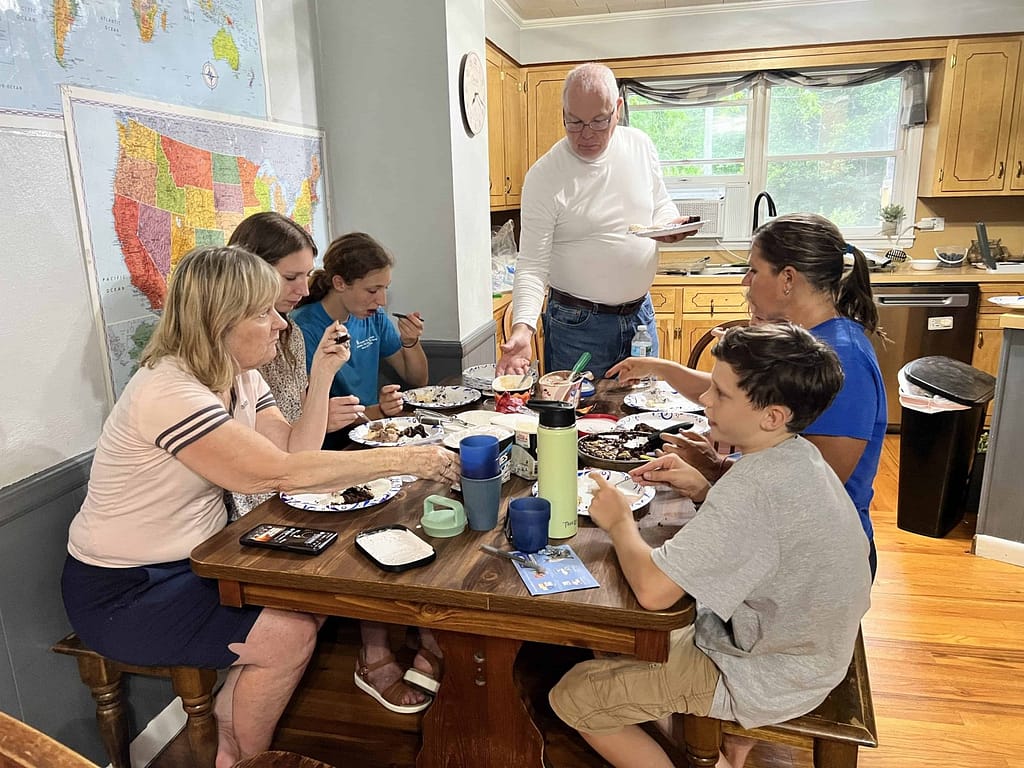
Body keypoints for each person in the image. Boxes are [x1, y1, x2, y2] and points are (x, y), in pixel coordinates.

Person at [61, 246, 459, 768]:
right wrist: (406, 459)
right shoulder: (169, 391)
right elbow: (272, 473)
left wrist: (320, 375)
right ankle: (243, 758)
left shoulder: (239, 374)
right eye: (263, 313)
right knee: (289, 633)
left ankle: (230, 740)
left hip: (192, 563)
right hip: (125, 587)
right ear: (219, 320)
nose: (279, 323)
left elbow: (295, 450)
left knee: (308, 595)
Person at [549, 323, 872, 768]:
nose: (705, 400)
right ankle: (690, 725)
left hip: (773, 672)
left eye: (721, 393)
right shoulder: (798, 456)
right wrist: (705, 489)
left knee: (575, 696)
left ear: (772, 416)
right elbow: (764, 532)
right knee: (624, 638)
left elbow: (654, 591)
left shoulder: (756, 485)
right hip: (812, 649)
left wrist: (620, 521)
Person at [607, 213, 887, 578]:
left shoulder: (841, 357)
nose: (745, 280)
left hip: (810, 561)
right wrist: (718, 467)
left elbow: (813, 490)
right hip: (780, 537)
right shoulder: (811, 342)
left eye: (754, 271)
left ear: (788, 279)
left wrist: (720, 477)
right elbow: (743, 401)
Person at [496, 61, 693, 380]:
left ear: (617, 108)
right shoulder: (544, 177)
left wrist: (668, 223)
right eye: (574, 122)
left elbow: (659, 202)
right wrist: (523, 329)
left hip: (640, 317)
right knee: (578, 419)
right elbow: (532, 265)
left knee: (641, 413)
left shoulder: (640, 145)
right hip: (577, 327)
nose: (586, 134)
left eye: (599, 121)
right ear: (562, 113)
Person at [226, 212, 366, 517]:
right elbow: (272, 462)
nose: (304, 290)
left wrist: (323, 374)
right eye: (291, 278)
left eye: (307, 275)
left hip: (285, 491)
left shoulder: (291, 334)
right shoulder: (234, 358)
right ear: (249, 274)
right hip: (256, 504)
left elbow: (297, 443)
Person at [291, 232, 427, 432]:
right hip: (333, 441)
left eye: (385, 289)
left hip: (372, 427)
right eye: (372, 291)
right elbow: (308, 415)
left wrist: (410, 341)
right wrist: (380, 410)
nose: (382, 301)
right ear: (339, 284)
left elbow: (418, 380)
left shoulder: (375, 317)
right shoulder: (302, 328)